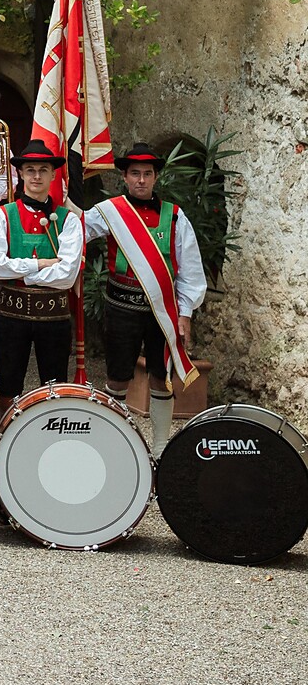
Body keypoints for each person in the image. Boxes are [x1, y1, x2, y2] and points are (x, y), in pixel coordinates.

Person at [82, 142, 207, 456]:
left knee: (160, 377)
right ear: (124, 177)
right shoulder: (109, 213)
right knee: (117, 378)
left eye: (147, 174)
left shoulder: (175, 217)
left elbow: (190, 269)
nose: (141, 180)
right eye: (135, 173)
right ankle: (115, 446)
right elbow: (76, 233)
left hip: (161, 311)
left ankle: (162, 447)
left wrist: (185, 314)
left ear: (155, 178)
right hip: (120, 307)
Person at [0, 139, 85, 404]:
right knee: (7, 389)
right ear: (21, 174)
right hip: (12, 316)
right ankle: (4, 442)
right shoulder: (1, 216)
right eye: (30, 170)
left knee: (54, 392)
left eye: (43, 170)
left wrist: (17, 271)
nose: (36, 176)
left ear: (53, 174)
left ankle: (53, 442)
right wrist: (41, 264)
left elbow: (67, 275)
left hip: (54, 318)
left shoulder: (69, 220)